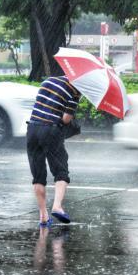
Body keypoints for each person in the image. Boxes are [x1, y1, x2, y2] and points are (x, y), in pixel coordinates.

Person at [27, 74, 81, 226]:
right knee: (60, 171)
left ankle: (43, 215)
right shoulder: (75, 91)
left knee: (38, 176)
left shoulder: (47, 81)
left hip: (32, 129)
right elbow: (65, 119)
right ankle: (57, 206)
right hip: (51, 130)